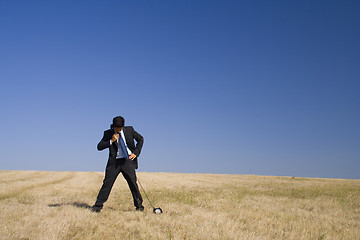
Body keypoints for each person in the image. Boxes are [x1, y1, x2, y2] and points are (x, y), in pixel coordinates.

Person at [91, 116, 144, 212]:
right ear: (113, 126)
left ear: (123, 126)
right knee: (107, 184)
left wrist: (136, 153)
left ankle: (139, 207)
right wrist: (111, 141)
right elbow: (99, 147)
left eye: (120, 128)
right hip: (114, 163)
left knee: (133, 184)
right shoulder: (108, 133)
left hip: (127, 161)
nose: (119, 130)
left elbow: (140, 139)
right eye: (116, 128)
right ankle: (97, 207)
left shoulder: (129, 130)